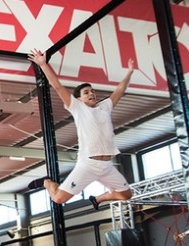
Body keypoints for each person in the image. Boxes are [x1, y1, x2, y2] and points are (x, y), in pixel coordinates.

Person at [27, 49, 134, 211]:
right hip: (88, 164)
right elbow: (57, 86)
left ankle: (98, 198)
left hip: (106, 165)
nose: (91, 93)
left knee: (126, 195)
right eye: (86, 92)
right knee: (58, 198)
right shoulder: (77, 107)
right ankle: (47, 182)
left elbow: (119, 90)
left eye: (92, 91)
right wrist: (43, 64)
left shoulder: (105, 107)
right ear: (79, 98)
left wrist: (129, 72)